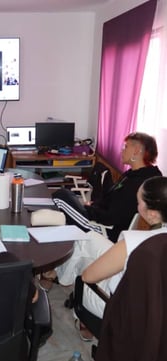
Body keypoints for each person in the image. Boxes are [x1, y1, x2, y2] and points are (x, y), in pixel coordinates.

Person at [76, 176, 167, 340]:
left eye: (138, 203)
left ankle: (83, 319)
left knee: (84, 266)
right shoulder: (152, 243)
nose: (136, 207)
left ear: (153, 215)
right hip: (155, 310)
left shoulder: (136, 243)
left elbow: (88, 277)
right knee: (90, 238)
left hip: (121, 308)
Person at [52, 132, 162, 242]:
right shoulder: (132, 174)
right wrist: (94, 205)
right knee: (68, 194)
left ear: (137, 150)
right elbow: (111, 200)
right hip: (101, 216)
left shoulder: (139, 183)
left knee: (60, 196)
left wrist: (90, 209)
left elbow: (111, 217)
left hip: (106, 231)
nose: (122, 150)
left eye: (126, 147)